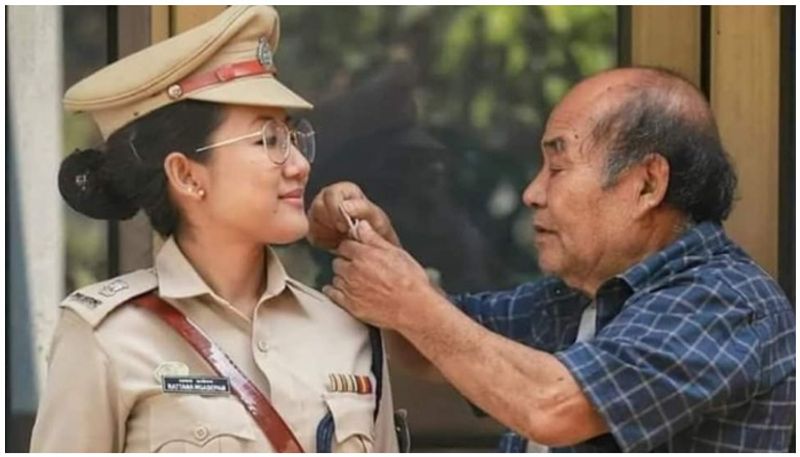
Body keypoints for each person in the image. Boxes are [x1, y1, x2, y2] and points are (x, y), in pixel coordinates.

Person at [306, 66, 796, 452]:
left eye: (557, 166)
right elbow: (433, 345)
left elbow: (553, 406)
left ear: (647, 184)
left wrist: (410, 300)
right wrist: (379, 247)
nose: (533, 193)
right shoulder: (577, 295)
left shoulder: (724, 302)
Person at [30, 6, 398, 453]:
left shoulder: (348, 331)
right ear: (186, 175)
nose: (300, 165)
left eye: (293, 137)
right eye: (268, 141)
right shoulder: (105, 338)